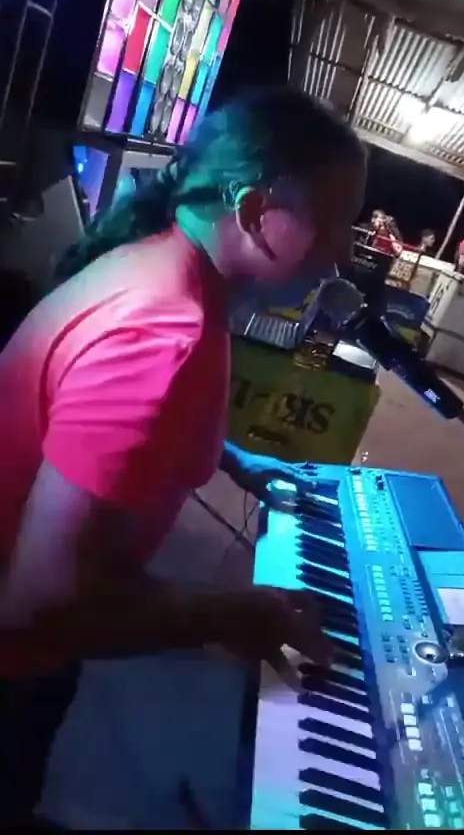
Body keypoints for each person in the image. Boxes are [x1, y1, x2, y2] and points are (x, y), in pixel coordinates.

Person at [0, 86, 365, 825]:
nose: (342, 260)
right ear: (257, 213)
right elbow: (37, 603)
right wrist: (232, 613)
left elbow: (103, 420)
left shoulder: (163, 267)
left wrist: (229, 457)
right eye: (335, 228)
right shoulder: (164, 335)